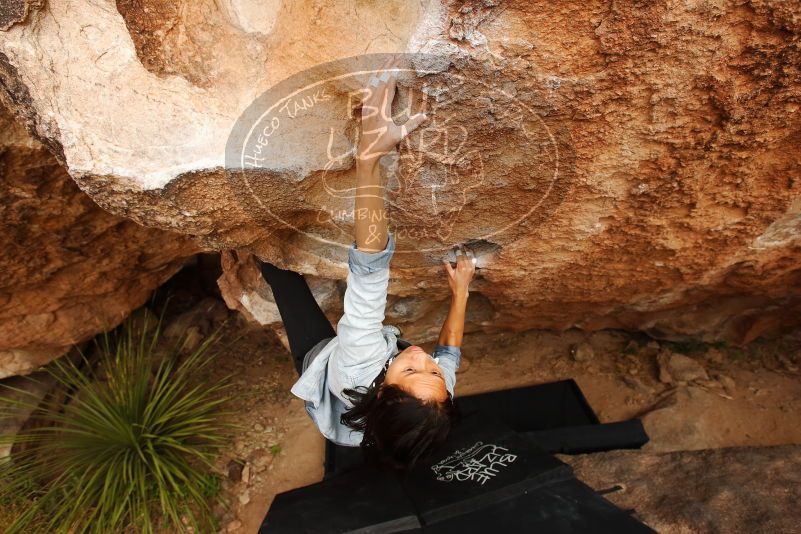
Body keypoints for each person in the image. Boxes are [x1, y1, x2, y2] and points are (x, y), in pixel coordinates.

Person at [259, 56, 477, 471]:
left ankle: (248, 248)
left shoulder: (358, 360)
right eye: (431, 371)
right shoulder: (433, 390)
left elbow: (370, 268)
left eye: (413, 369)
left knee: (282, 275)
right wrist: (460, 292)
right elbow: (449, 350)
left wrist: (369, 158)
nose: (420, 356)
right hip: (376, 416)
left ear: (383, 392)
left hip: (326, 370)